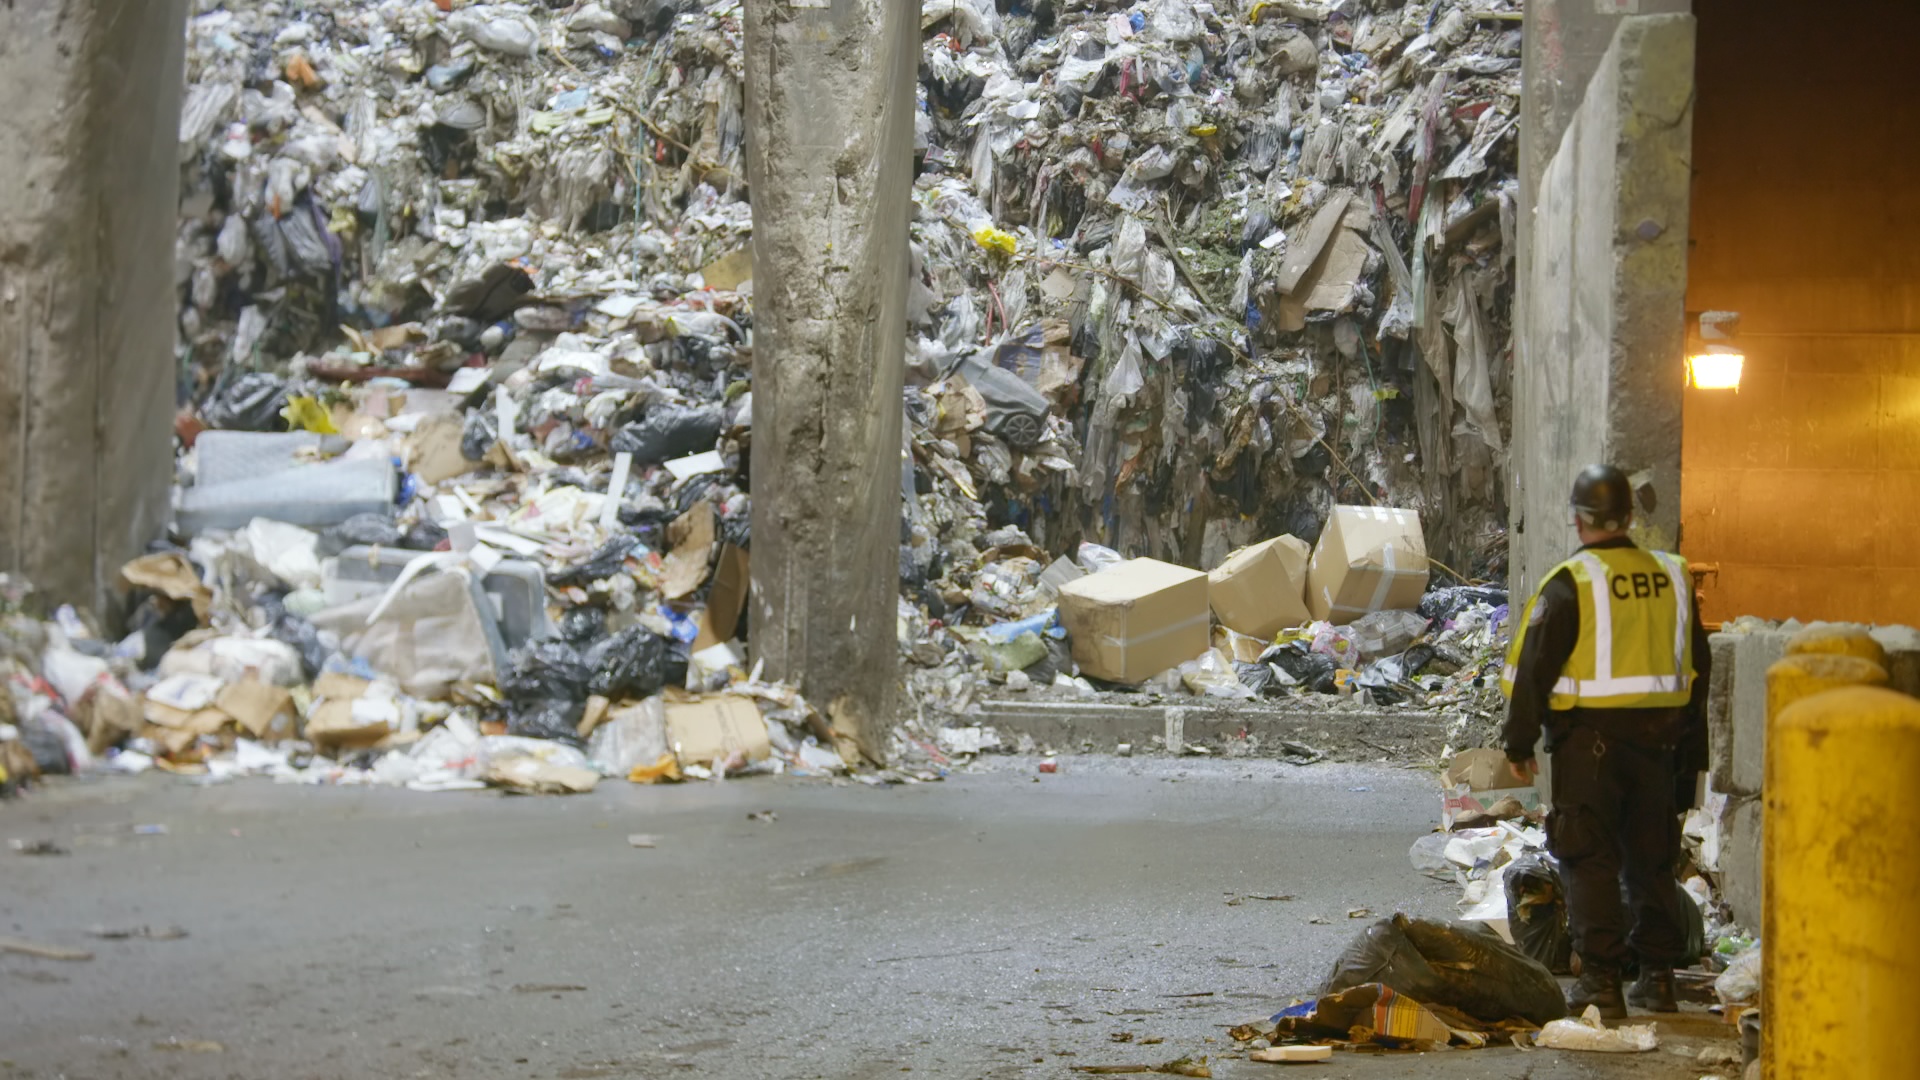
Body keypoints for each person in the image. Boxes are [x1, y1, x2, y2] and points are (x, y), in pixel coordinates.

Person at [1500, 464, 1711, 1018]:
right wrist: (1691, 756)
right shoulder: (1673, 576)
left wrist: (1518, 744)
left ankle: (1601, 981)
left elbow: (1533, 671)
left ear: (1579, 519)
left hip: (1587, 746)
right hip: (1659, 746)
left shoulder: (1572, 583)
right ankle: (1659, 979)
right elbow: (1699, 670)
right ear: (1628, 517)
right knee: (1651, 858)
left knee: (1588, 856)